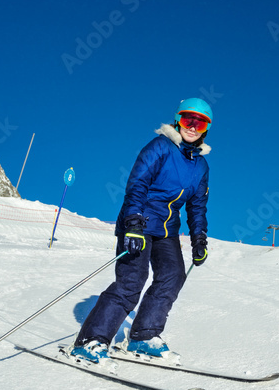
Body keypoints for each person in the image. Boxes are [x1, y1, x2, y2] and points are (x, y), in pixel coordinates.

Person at [70, 98, 212, 365]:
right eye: (188, 120)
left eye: (200, 122)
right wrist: (133, 224)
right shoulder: (160, 146)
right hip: (139, 222)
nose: (192, 127)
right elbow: (137, 184)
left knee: (172, 276)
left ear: (206, 129)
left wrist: (199, 239)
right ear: (178, 120)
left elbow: (197, 207)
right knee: (131, 282)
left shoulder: (201, 166)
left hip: (167, 230)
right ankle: (91, 341)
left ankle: (144, 336)